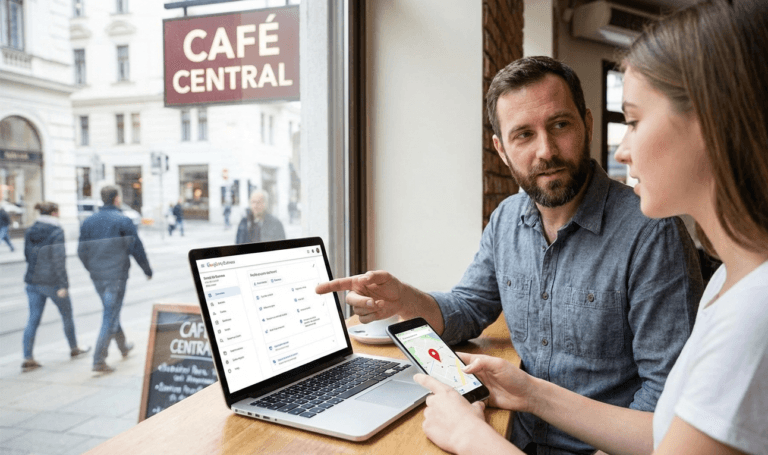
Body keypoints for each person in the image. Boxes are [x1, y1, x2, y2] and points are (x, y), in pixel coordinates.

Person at [406, 1, 768, 454]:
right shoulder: (729, 288)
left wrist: (470, 438)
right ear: (501, 149)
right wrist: (531, 393)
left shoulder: (753, 313)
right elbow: (664, 435)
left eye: (634, 121)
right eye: (523, 135)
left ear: (712, 124)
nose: (624, 151)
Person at [317, 56, 704, 454]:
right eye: (523, 135)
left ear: (587, 124)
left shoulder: (652, 232)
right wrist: (405, 300)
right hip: (509, 434)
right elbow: (469, 307)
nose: (546, 151)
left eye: (560, 125)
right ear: (501, 150)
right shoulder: (506, 219)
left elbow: (666, 404)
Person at [78, 185, 152, 373]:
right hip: (116, 276)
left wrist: (92, 268)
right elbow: (136, 247)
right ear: (117, 199)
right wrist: (147, 269)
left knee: (111, 310)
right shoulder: (123, 221)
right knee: (110, 315)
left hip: (97, 276)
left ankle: (123, 347)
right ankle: (99, 359)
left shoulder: (88, 222)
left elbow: (81, 251)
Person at [21, 202, 90, 372]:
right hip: (52, 282)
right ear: (53, 213)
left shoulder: (30, 230)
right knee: (67, 315)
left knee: (33, 319)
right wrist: (63, 285)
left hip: (32, 281)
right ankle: (74, 348)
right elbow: (59, 260)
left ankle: (28, 357)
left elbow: (26, 255)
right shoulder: (56, 231)